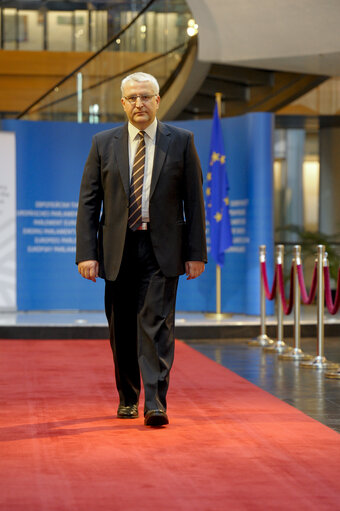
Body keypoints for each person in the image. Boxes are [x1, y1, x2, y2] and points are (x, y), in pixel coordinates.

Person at [76, 72, 207, 427]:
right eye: (132, 98)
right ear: (123, 103)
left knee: (156, 327)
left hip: (162, 249)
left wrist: (196, 253)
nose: (139, 104)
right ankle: (128, 397)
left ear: (158, 100)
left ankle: (155, 402)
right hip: (117, 250)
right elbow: (89, 203)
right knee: (122, 330)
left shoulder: (180, 141)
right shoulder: (103, 143)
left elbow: (194, 201)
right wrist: (87, 253)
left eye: (146, 97)